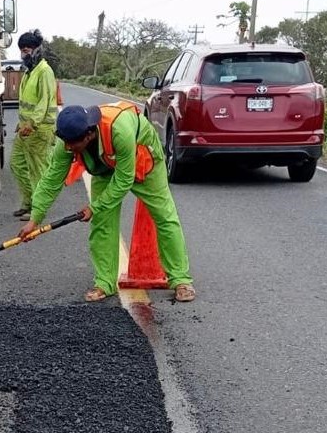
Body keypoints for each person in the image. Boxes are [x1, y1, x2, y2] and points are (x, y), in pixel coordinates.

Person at [18, 102, 196, 303]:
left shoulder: (119, 130)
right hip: (103, 167)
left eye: (72, 144)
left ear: (89, 135)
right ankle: (104, 282)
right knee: (102, 222)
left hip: (141, 160)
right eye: (65, 142)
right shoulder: (68, 140)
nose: (68, 148)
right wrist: (35, 218)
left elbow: (123, 180)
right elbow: (52, 178)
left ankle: (180, 279)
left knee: (165, 216)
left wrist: (94, 207)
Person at [10, 30, 58, 221]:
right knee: (17, 164)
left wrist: (32, 122)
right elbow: (28, 102)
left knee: (38, 170)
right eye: (21, 50)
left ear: (38, 50)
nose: (24, 54)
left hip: (39, 129)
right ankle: (29, 202)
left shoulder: (44, 71)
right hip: (25, 129)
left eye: (27, 49)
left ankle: (38, 210)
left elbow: (44, 101)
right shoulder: (30, 71)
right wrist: (23, 123)